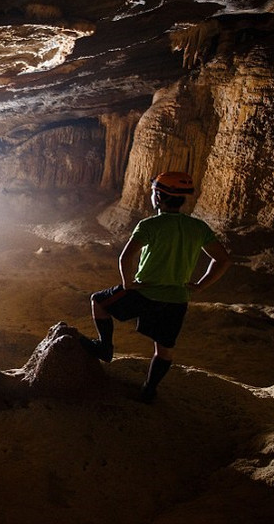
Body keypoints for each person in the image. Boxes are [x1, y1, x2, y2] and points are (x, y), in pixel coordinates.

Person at [81, 171, 230, 402]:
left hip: (145, 292)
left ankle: (104, 347)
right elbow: (222, 259)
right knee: (164, 349)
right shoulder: (198, 228)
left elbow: (125, 257)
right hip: (177, 298)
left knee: (98, 302)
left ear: (159, 197)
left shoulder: (150, 225)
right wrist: (200, 286)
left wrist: (127, 283)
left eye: (153, 193)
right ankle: (149, 390)